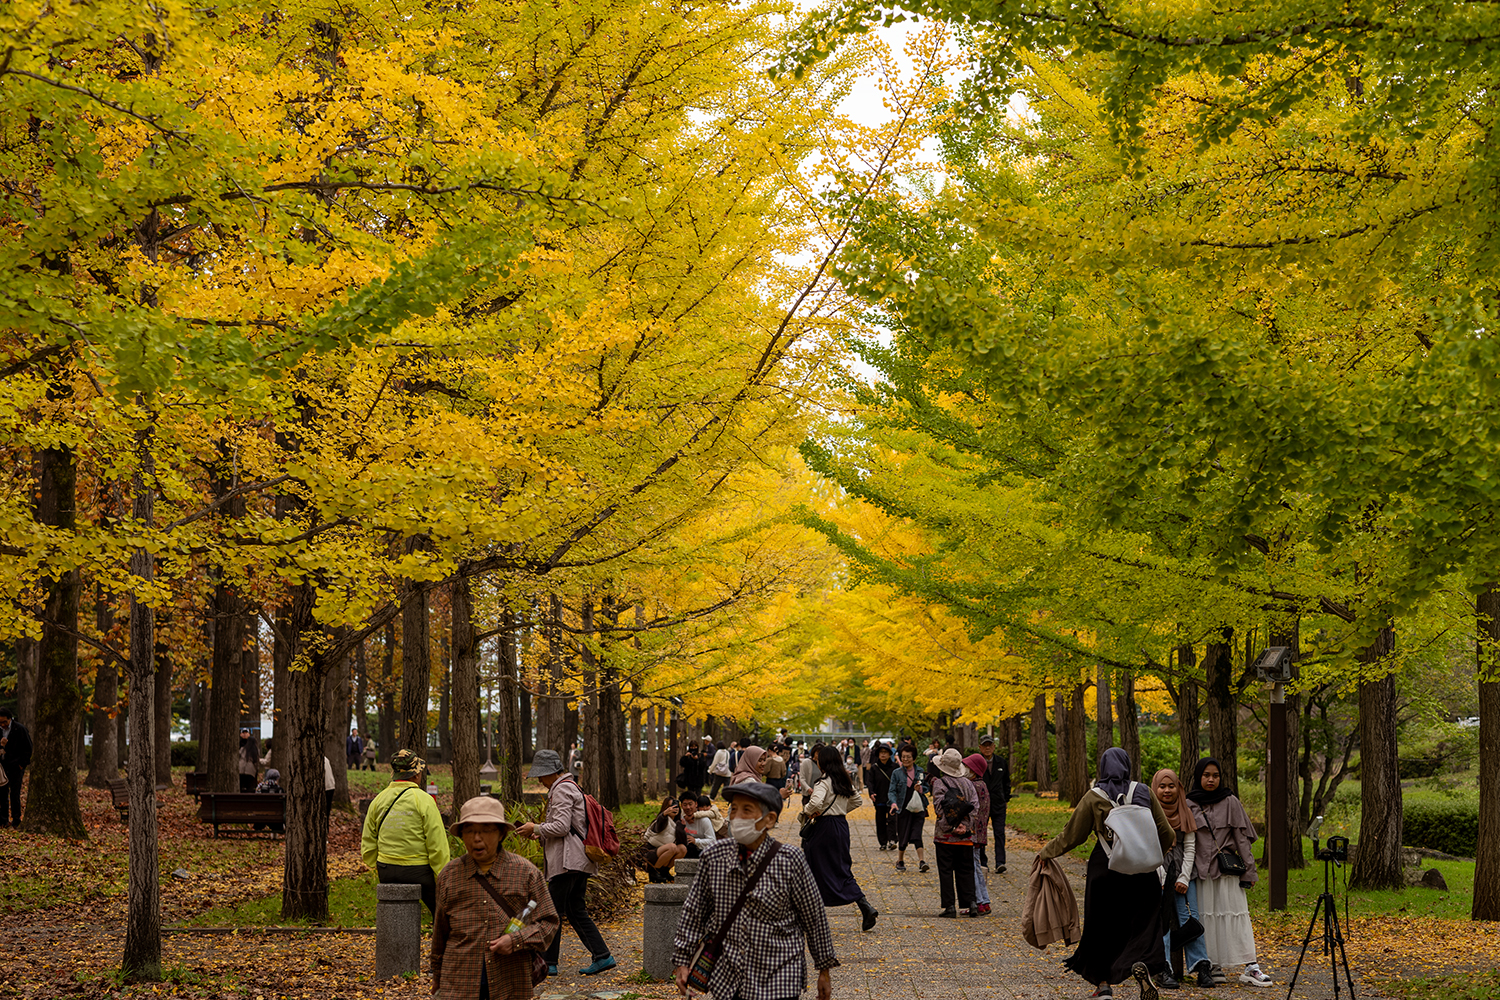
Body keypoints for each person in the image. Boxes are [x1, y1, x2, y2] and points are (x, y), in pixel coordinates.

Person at [671, 782, 839, 1000]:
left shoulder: (790, 860)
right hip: (728, 979)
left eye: (747, 810)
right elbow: (693, 912)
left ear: (769, 819)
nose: (736, 817)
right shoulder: (713, 858)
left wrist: (824, 969)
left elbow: (814, 917)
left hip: (779, 978)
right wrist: (683, 960)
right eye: (734, 809)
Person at [1038, 747, 1175, 999]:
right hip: (1143, 872)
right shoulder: (1144, 791)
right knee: (1143, 923)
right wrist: (1150, 855)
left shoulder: (1093, 797)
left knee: (1101, 926)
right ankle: (1139, 961)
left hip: (1106, 871)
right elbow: (1167, 833)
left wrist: (1045, 852)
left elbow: (1072, 836)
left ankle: (1103, 985)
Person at [433, 796, 561, 1000]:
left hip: (509, 981)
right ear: (462, 834)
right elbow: (440, 933)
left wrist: (516, 940)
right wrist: (437, 978)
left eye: (486, 830)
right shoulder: (449, 875)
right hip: (458, 982)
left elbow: (549, 923)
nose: (477, 838)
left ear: (501, 833)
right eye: (470, 830)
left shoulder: (526, 873)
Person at [515, 749, 616, 977]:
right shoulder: (571, 787)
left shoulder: (561, 790)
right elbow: (567, 826)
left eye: (540, 775)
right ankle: (602, 956)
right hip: (579, 860)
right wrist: (539, 833)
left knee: (552, 912)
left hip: (568, 862)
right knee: (575, 909)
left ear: (550, 772)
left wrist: (536, 827)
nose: (539, 780)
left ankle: (548, 963)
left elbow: (560, 827)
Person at [1187, 758, 1272, 987]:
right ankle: (1213, 964)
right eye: (1206, 775)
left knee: (1237, 915)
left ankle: (1250, 966)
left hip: (1227, 871)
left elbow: (1242, 839)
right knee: (1208, 918)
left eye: (1215, 775)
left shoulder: (1230, 801)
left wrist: (1250, 872)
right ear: (1198, 777)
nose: (1211, 779)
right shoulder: (1188, 803)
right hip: (1202, 873)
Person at [361, 749, 451, 915]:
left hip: (386, 869)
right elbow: (437, 843)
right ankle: (439, 939)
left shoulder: (378, 800)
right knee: (442, 912)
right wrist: (442, 875)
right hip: (417, 870)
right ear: (416, 774)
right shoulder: (424, 800)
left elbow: (368, 839)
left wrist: (375, 862)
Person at [802, 745, 878, 931]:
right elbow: (857, 800)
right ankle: (864, 905)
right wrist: (841, 812)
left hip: (823, 829)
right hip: (840, 827)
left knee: (814, 868)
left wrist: (808, 812)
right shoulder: (842, 780)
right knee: (841, 867)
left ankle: (808, 917)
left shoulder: (823, 782)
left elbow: (816, 802)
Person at [1153, 768, 1209, 989]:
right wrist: (1161, 875)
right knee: (1162, 920)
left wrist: (1184, 877)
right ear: (1155, 788)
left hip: (1184, 872)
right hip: (1158, 872)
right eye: (1162, 786)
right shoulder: (1150, 813)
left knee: (1190, 918)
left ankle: (1201, 966)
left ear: (1179, 787)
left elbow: (1190, 846)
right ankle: (1163, 967)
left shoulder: (1185, 811)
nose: (1167, 790)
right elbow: (1150, 845)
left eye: (1171, 786)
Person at [928, 748, 980, 917]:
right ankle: (971, 903)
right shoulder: (968, 784)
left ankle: (949, 906)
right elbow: (975, 807)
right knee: (966, 870)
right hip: (965, 837)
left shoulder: (939, 783)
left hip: (945, 836)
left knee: (946, 871)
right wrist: (965, 825)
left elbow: (939, 808)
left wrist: (951, 826)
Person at [886, 745, 930, 873]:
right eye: (903, 757)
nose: (905, 759)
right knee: (903, 835)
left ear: (914, 758)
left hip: (918, 808)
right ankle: (900, 860)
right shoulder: (897, 773)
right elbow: (892, 791)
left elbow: (927, 787)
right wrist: (893, 803)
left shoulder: (920, 772)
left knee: (917, 834)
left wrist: (921, 789)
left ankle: (922, 861)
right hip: (902, 808)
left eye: (908, 757)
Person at [977, 734, 1011, 873]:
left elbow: (1006, 781)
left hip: (998, 803)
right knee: (982, 833)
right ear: (980, 747)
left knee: (999, 833)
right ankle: (982, 862)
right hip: (982, 805)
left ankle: (1000, 862)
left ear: (994, 746)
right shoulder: (978, 763)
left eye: (990, 745)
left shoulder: (1001, 762)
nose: (987, 748)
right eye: (985, 745)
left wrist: (1005, 797)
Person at [963, 752, 992, 915]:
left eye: (967, 767)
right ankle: (984, 901)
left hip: (973, 833)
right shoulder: (982, 785)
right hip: (980, 833)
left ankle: (979, 901)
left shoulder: (973, 786)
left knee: (972, 867)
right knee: (976, 866)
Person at [643, 795, 689, 881]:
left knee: (682, 848)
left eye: (676, 806)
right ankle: (653, 872)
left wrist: (681, 828)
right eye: (671, 806)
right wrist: (664, 814)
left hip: (665, 853)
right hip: (650, 853)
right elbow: (660, 824)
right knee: (672, 847)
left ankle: (664, 871)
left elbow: (683, 842)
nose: (674, 808)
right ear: (666, 808)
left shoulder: (677, 823)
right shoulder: (661, 820)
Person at [0, 707, 32, 827]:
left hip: (16, 767)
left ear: (10, 719)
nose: (2, 725)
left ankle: (16, 819)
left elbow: (28, 749)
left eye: (4, 722)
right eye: (0, 722)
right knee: (2, 793)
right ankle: (3, 819)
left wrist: (21, 764)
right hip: (2, 767)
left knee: (15, 793)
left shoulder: (20, 729)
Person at [867, 743, 896, 850]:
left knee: (892, 819)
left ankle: (892, 839)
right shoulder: (874, 768)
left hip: (892, 799)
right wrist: (871, 792)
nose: (883, 755)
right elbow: (870, 782)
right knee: (880, 821)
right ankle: (883, 842)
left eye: (885, 752)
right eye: (881, 752)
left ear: (889, 754)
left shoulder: (895, 767)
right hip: (879, 798)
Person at [254, 767, 286, 833]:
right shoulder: (279, 789)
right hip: (275, 815)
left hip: (260, 814)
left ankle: (258, 827)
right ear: (277, 778)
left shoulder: (260, 787)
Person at [798, 742, 823, 807]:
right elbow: (802, 778)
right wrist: (808, 788)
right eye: (817, 753)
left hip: (820, 795)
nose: (819, 755)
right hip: (808, 794)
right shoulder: (806, 762)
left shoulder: (824, 764)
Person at [238, 727, 260, 792]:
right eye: (243, 733)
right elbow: (256, 761)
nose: (244, 734)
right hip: (251, 771)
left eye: (246, 733)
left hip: (241, 769)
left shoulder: (242, 749)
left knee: (241, 786)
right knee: (250, 787)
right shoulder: (255, 749)